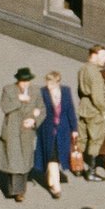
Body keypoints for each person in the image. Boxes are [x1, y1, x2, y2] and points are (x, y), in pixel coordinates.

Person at [0, 67, 40, 202]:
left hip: (27, 130)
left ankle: (19, 190)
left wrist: (34, 119)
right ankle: (17, 191)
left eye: (28, 81)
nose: (26, 83)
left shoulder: (36, 91)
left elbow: (42, 109)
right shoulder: (8, 90)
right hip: (12, 130)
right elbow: (5, 107)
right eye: (23, 81)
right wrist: (18, 99)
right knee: (14, 162)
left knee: (24, 162)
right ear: (18, 80)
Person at [33, 68, 77, 199]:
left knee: (57, 157)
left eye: (51, 83)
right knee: (52, 157)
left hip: (63, 130)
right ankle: (56, 187)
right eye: (47, 82)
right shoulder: (42, 93)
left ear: (58, 83)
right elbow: (39, 109)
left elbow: (70, 111)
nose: (48, 86)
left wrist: (74, 129)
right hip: (47, 129)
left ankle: (50, 175)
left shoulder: (66, 92)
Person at [76, 46, 105, 182]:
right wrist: (104, 111)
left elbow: (80, 90)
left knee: (82, 139)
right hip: (95, 111)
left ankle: (77, 167)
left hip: (84, 107)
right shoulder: (95, 73)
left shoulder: (83, 68)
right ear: (94, 55)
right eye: (103, 56)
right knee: (95, 140)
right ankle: (91, 171)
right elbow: (97, 97)